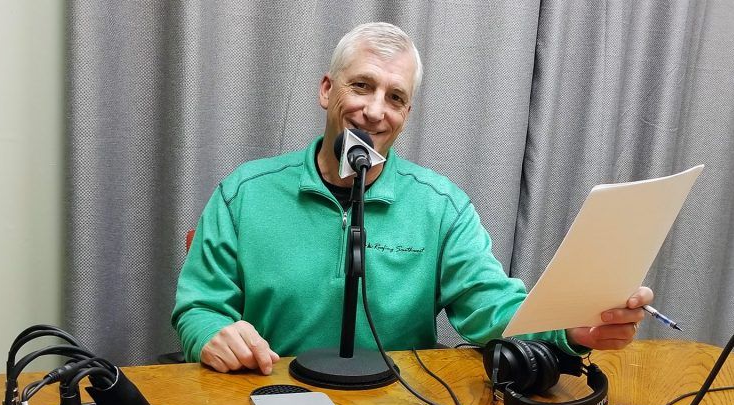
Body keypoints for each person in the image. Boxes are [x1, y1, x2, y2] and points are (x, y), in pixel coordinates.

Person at [172, 22, 652, 375]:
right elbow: (198, 308)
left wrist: (569, 330)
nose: (374, 111)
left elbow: (489, 305)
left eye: (395, 97)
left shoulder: (441, 207)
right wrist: (210, 334)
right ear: (326, 89)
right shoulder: (244, 193)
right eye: (361, 86)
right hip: (272, 404)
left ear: (406, 113)